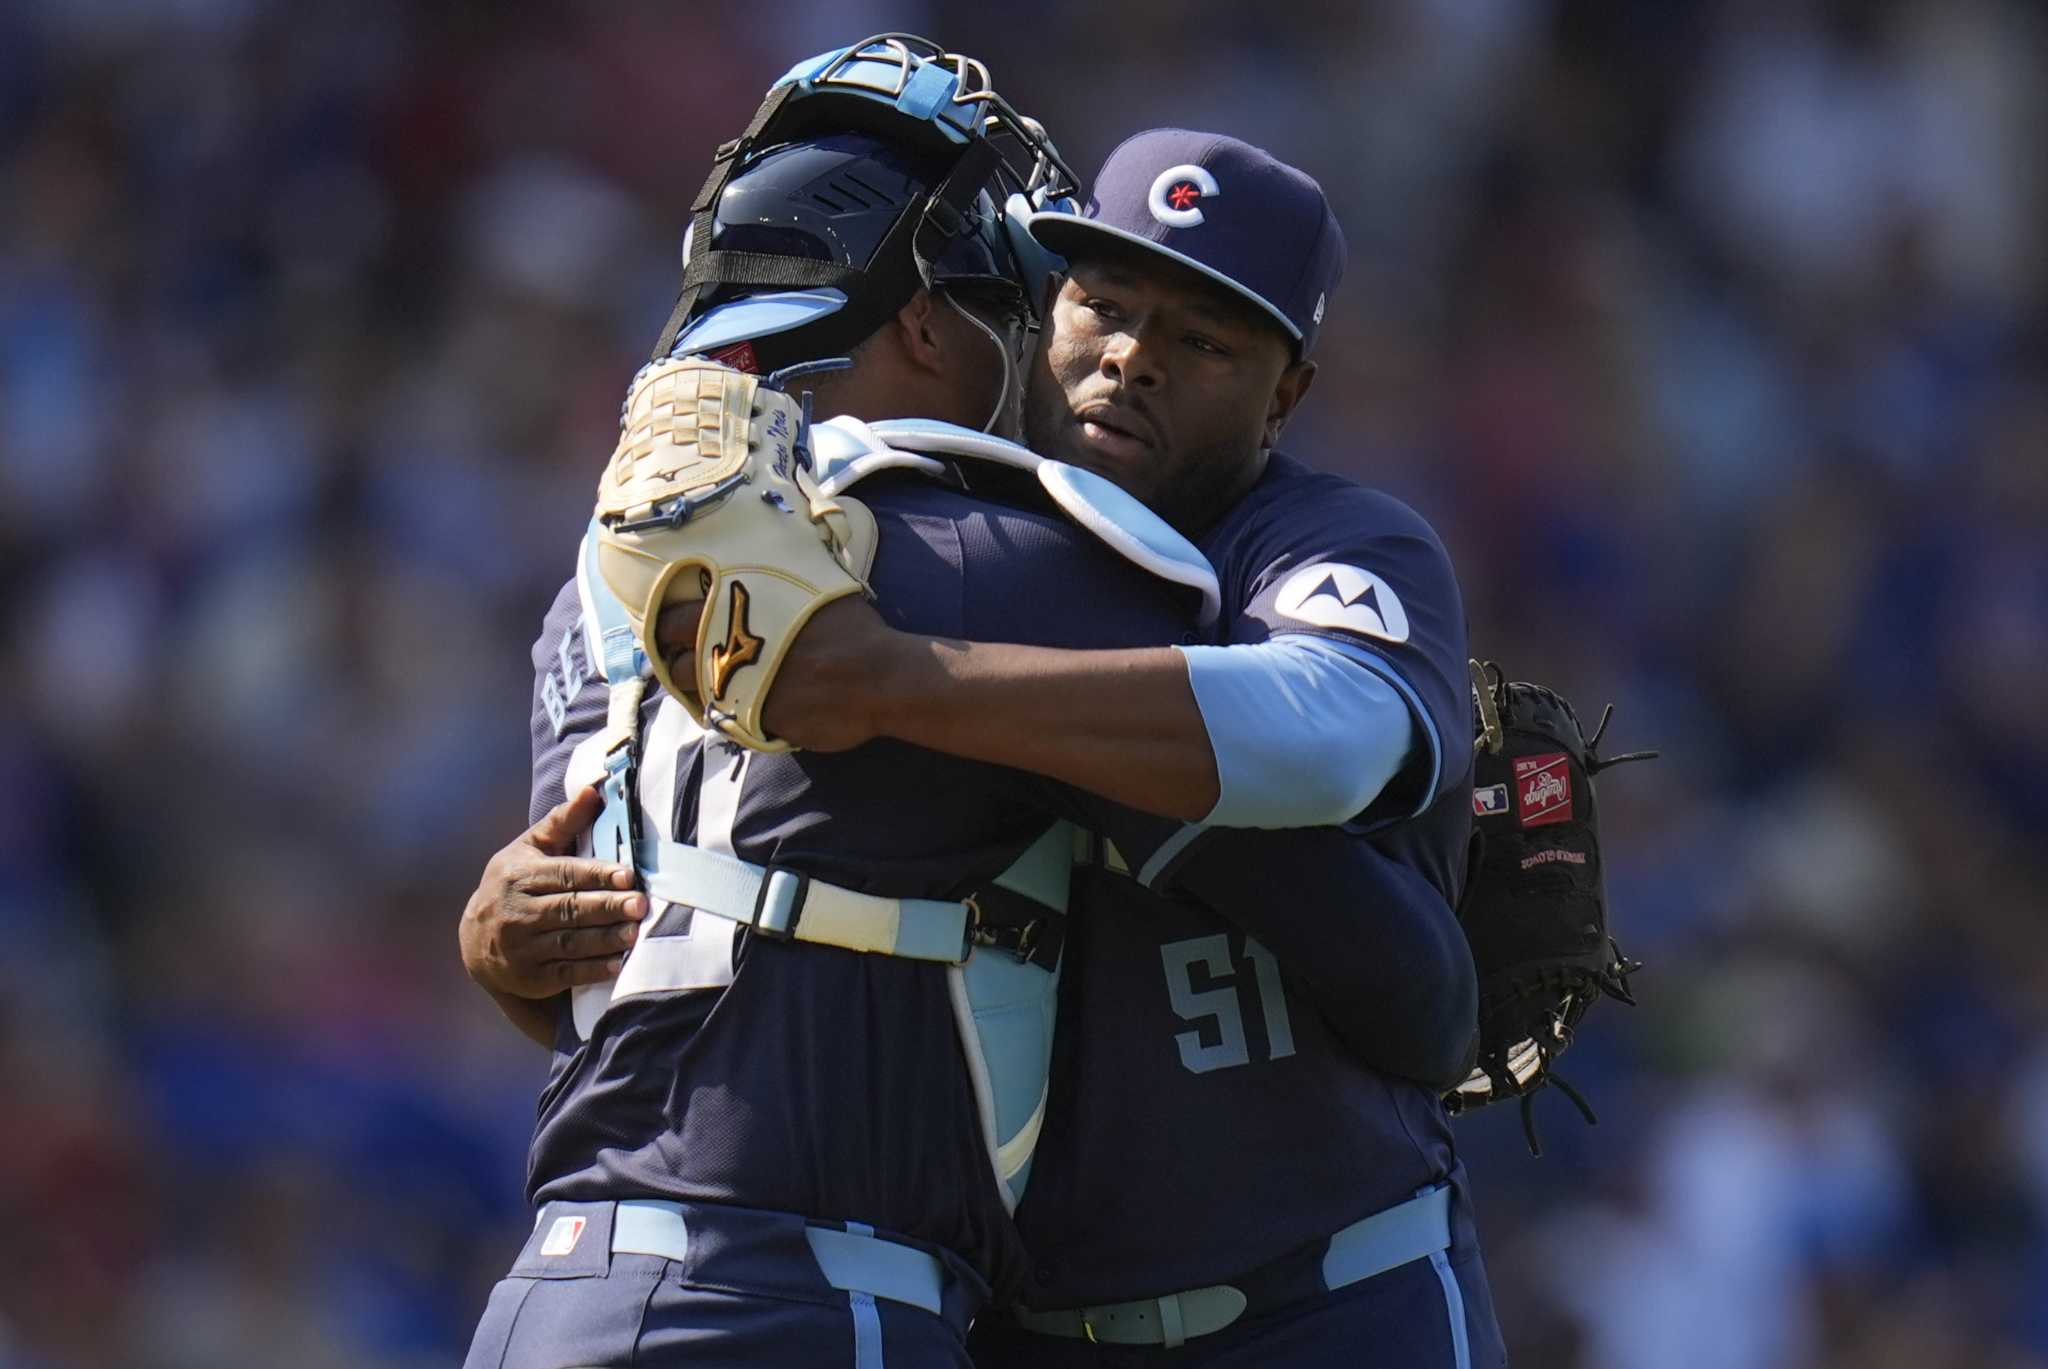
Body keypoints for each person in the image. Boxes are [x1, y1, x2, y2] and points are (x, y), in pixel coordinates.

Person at [462, 40, 1499, 1369]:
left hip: (1322, 1297)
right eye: (1100, 304)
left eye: (1203, 339)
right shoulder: (988, 555)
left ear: (1288, 390)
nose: (1129, 359)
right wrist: (503, 935)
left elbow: (1356, 777)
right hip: (953, 1313)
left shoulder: (1322, 541)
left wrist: (902, 685)